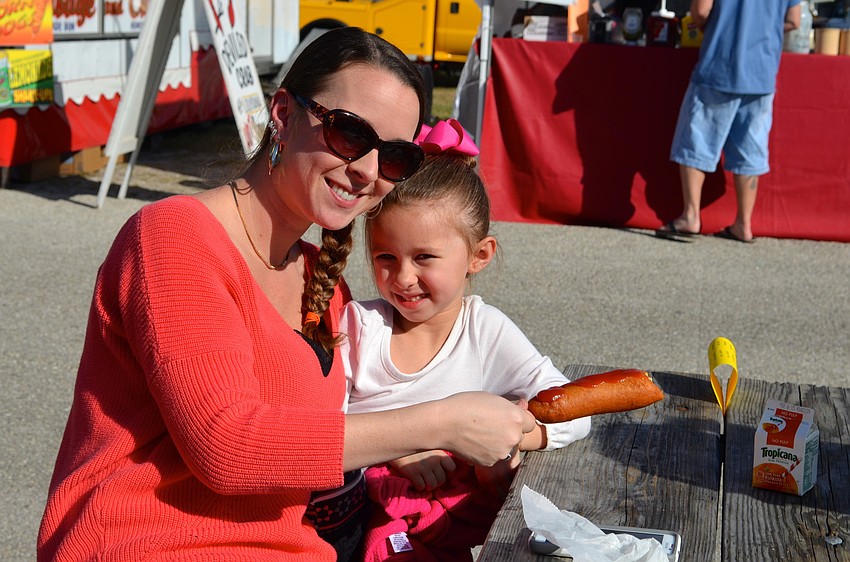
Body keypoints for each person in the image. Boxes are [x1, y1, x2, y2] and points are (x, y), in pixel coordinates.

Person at [36, 28, 538, 562]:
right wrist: (442, 423)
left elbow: (309, 443)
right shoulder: (174, 236)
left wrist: (410, 456)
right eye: (349, 133)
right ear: (282, 113)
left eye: (393, 156)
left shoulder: (323, 281)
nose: (367, 171)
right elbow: (227, 447)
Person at [339, 119, 592, 561]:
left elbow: (573, 410)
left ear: (479, 255)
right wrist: (401, 451)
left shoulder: (485, 330)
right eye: (385, 257)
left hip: (457, 523)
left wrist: (512, 437)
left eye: (423, 258)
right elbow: (322, 424)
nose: (402, 278)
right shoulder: (359, 327)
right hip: (364, 518)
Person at [659, 0, 801, 243]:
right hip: (762, 72)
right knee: (751, 148)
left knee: (697, 139)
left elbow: (701, 12)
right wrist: (762, 28)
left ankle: (691, 215)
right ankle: (743, 224)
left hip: (720, 65)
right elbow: (794, 20)